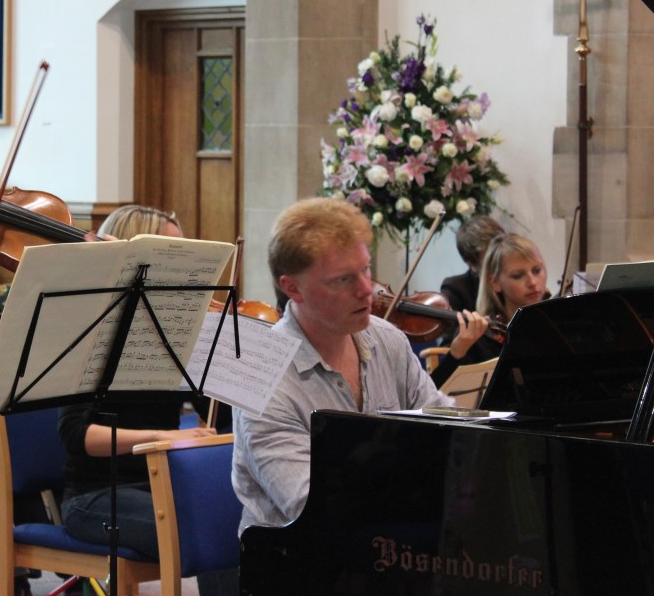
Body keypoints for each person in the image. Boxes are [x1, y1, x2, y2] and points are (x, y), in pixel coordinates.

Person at [231, 197, 485, 532]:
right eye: (342, 280)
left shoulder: (387, 339)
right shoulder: (259, 380)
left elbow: (446, 428)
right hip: (301, 553)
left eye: (365, 269)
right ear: (293, 288)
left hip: (392, 533)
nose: (366, 290)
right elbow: (312, 508)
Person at [57, 204, 235, 593]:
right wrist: (163, 438)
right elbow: (77, 434)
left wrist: (218, 350)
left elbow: (219, 420)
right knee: (208, 527)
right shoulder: (91, 329)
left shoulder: (172, 331)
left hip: (162, 484)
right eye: (174, 258)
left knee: (238, 519)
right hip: (96, 497)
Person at [430, 232, 549, 388]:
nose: (533, 282)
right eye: (518, 275)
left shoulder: (554, 325)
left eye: (537, 270)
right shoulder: (480, 337)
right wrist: (456, 353)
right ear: (496, 283)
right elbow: (432, 393)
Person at [440, 215, 505, 313]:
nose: (500, 259)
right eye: (490, 257)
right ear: (472, 265)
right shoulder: (455, 289)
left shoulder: (516, 277)